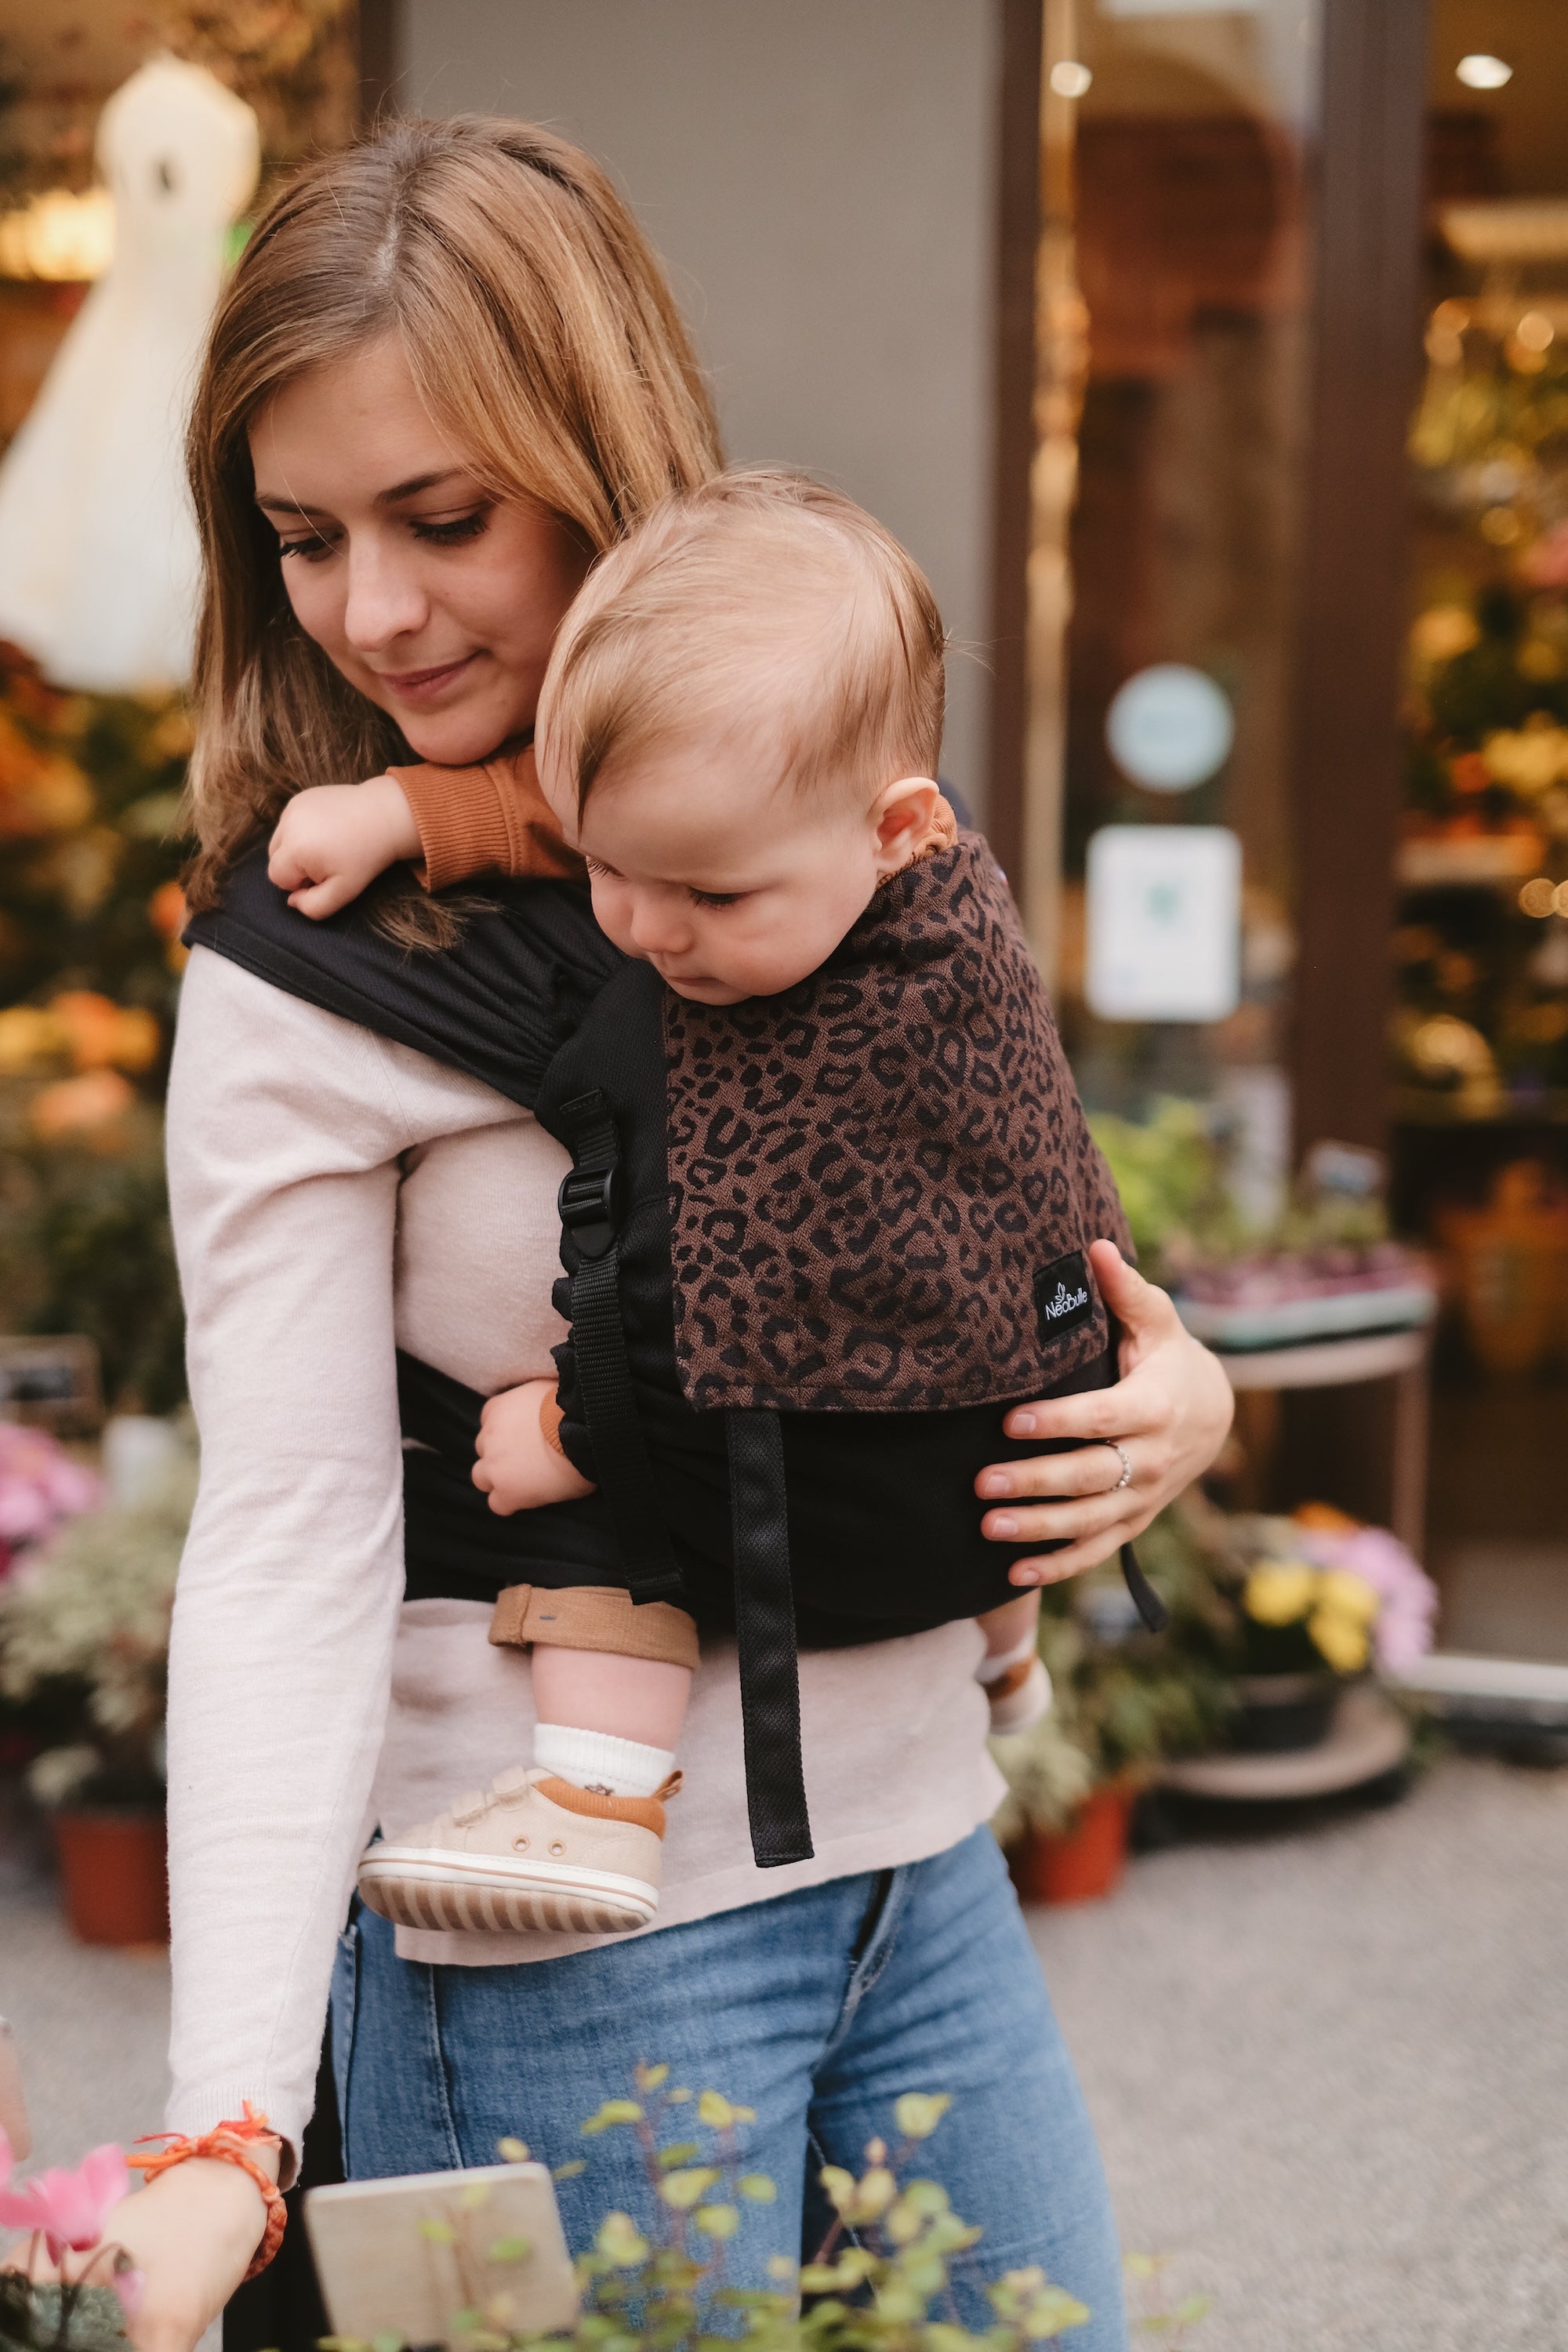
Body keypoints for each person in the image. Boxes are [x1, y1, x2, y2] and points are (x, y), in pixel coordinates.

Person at [67, 118, 1230, 2352]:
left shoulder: (827, 822)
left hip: (920, 1869)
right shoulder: (305, 971)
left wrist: (1165, 1391)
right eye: (303, 539)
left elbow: (990, 1223)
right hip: (552, 1946)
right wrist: (229, 2119)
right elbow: (294, 1532)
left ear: (601, 463)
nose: (377, 611)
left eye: (445, 518)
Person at [267, 467, 1143, 1941]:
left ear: (900, 827)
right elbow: (587, 805)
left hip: (889, 1472)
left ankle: (599, 1803)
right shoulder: (837, 845)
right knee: (996, 1508)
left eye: (714, 899)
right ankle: (1007, 1662)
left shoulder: (867, 1045)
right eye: (612, 872)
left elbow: (732, 1310)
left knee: (627, 1518)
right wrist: (404, 814)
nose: (646, 928)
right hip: (994, 1461)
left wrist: (568, 1424)